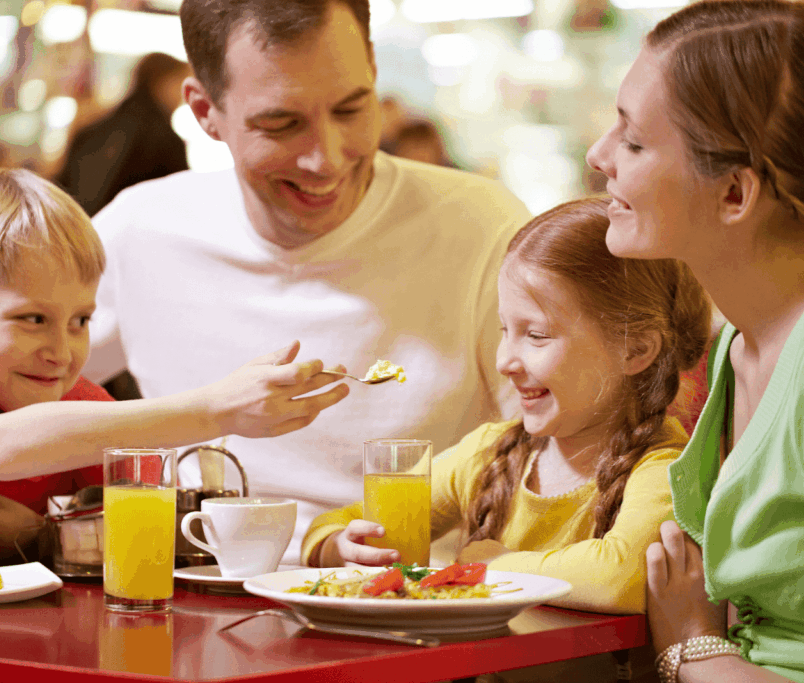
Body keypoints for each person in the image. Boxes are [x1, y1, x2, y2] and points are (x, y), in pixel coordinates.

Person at [83, 0, 533, 564]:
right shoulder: (141, 229)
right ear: (204, 110)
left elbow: (564, 447)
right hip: (194, 602)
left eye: (350, 109)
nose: (325, 159)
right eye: (281, 124)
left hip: (411, 610)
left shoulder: (482, 226)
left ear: (372, 68)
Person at [585, 2, 804, 682]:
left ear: (735, 194)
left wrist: (689, 646)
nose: (600, 155)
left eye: (633, 143)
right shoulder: (737, 343)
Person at [0, 168, 347, 567]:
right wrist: (217, 409)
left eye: (80, 320)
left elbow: (175, 538)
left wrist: (41, 535)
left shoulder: (76, 404)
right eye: (33, 319)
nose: (62, 351)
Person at [305, 197, 711, 611]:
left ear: (634, 349)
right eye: (504, 329)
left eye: (536, 335)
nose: (504, 361)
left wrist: (495, 565)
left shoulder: (665, 467)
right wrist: (340, 547)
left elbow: (620, 577)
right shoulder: (489, 454)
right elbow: (337, 523)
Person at [56, 52, 190, 217]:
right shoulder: (165, 141)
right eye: (180, 85)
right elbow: (178, 205)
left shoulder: (93, 129)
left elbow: (61, 187)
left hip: (80, 231)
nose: (183, 98)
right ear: (163, 82)